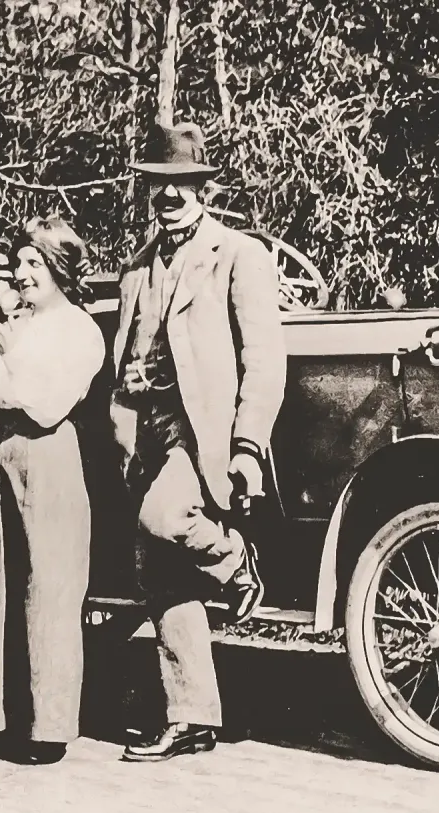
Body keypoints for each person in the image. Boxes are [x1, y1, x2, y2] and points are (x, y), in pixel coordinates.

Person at [110, 122, 286, 762]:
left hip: (205, 433)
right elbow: (129, 352)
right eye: (159, 184)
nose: (169, 195)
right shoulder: (137, 267)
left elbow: (264, 360)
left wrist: (247, 446)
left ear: (203, 190)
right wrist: (130, 383)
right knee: (157, 570)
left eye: (182, 184)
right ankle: (191, 718)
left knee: (166, 518)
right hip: (147, 432)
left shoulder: (239, 255)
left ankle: (237, 565)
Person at [0, 217, 105, 765]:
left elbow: (48, 403)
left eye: (34, 263)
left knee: (48, 587)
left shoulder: (79, 330)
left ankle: (48, 730)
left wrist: (12, 352)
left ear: (61, 269)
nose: (21, 273)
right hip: (0, 453)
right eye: (19, 262)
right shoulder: (20, 324)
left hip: (47, 455)